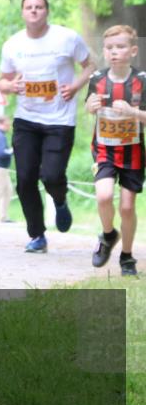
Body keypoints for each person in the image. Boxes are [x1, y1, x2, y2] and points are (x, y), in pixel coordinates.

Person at [0, 0, 93, 254]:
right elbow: (2, 82)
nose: (34, 11)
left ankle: (60, 200)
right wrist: (10, 86)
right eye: (29, 7)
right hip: (26, 118)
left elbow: (90, 65)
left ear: (47, 12)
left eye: (39, 7)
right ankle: (37, 235)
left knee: (51, 175)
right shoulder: (13, 45)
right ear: (23, 13)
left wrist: (74, 87)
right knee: (25, 178)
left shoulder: (66, 38)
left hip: (60, 119)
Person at [86, 25, 144, 277]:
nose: (114, 52)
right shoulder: (97, 79)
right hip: (104, 150)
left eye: (120, 47)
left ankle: (127, 257)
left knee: (128, 208)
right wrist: (90, 105)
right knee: (104, 196)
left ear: (133, 50)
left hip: (133, 151)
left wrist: (133, 113)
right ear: (104, 51)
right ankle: (109, 234)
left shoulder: (141, 81)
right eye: (109, 48)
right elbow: (88, 107)